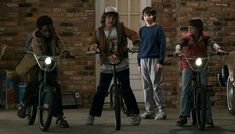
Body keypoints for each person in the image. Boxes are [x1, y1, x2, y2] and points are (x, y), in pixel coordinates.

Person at [86, 6, 141, 126]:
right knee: (101, 90)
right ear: (104, 18)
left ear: (116, 19)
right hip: (106, 64)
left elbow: (133, 34)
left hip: (121, 62)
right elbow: (91, 43)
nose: (110, 19)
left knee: (126, 89)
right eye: (108, 17)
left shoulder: (121, 28)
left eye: (113, 17)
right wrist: (92, 47)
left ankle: (135, 114)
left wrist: (136, 43)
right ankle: (92, 115)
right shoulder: (99, 31)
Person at [16, 15, 69, 128]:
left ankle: (59, 117)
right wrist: (41, 57)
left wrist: (65, 52)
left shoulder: (55, 36)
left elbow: (62, 45)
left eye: (49, 30)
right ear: (40, 30)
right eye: (45, 31)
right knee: (33, 81)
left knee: (56, 87)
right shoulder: (36, 38)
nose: (48, 33)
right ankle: (24, 104)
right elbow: (37, 51)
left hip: (50, 63)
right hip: (36, 62)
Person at [174, 18, 225, 127]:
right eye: (189, 27)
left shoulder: (205, 37)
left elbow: (213, 43)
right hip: (188, 63)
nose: (190, 29)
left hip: (202, 64)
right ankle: (183, 116)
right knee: (186, 88)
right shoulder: (187, 37)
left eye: (192, 27)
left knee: (204, 89)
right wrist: (177, 50)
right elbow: (180, 43)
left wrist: (218, 49)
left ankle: (208, 118)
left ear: (198, 29)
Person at [137, 7, 167, 120]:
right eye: (145, 15)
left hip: (155, 60)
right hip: (143, 60)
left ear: (153, 16)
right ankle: (149, 110)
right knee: (146, 87)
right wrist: (139, 63)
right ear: (143, 17)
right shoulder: (142, 30)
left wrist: (160, 61)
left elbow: (162, 46)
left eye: (149, 15)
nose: (147, 18)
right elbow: (140, 47)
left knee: (156, 86)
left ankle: (162, 110)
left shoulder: (158, 29)